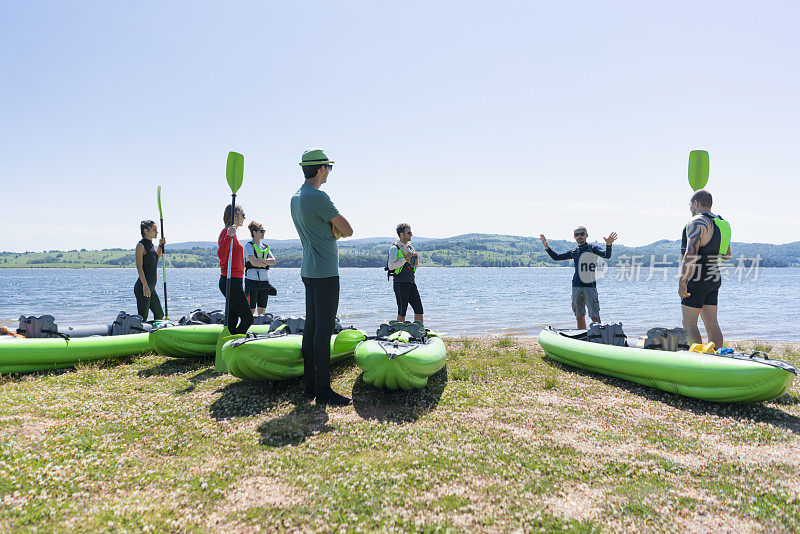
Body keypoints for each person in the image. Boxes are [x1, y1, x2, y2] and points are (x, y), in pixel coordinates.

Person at [290, 148, 353, 406]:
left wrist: (332, 229)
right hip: (325, 271)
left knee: (312, 328)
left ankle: (310, 387)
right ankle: (324, 391)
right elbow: (348, 230)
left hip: (308, 270)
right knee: (323, 330)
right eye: (329, 167)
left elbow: (331, 230)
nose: (329, 172)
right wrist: (335, 230)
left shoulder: (296, 197)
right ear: (320, 169)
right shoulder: (318, 196)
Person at [679, 188, 731, 347]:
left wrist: (682, 281)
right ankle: (717, 358)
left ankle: (696, 361)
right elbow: (727, 255)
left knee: (689, 323)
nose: (689, 208)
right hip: (714, 275)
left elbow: (691, 253)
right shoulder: (722, 223)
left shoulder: (697, 222)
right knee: (712, 323)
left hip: (697, 276)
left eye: (690, 204)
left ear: (695, 203)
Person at [540, 227, 617, 329]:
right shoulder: (574, 251)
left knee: (594, 316)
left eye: (581, 234)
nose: (579, 236)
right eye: (577, 235)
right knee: (579, 316)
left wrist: (608, 245)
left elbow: (606, 255)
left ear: (586, 235)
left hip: (590, 287)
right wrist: (547, 247)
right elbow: (556, 257)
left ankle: (599, 337)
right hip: (576, 286)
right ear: (574, 237)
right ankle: (582, 337)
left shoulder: (592, 248)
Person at [217, 204, 253, 335]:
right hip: (229, 281)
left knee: (232, 319)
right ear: (235, 215)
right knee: (248, 319)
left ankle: (229, 344)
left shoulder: (233, 234)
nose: (244, 217)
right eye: (243, 214)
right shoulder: (226, 232)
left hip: (236, 281)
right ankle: (234, 346)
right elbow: (221, 255)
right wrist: (229, 236)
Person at [387, 223, 423, 323]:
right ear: (402, 234)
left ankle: (419, 332)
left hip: (411, 282)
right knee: (402, 312)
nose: (411, 235)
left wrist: (416, 260)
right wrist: (405, 258)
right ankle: (399, 333)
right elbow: (391, 266)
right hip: (400, 283)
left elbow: (414, 267)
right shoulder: (394, 248)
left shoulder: (410, 248)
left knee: (419, 309)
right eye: (409, 233)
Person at [134, 220, 166, 321]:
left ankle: (155, 334)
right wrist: (145, 286)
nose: (157, 232)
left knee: (159, 314)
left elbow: (155, 258)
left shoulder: (151, 245)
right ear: (146, 231)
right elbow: (139, 267)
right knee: (143, 318)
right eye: (154, 230)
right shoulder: (140, 246)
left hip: (151, 288)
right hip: (143, 288)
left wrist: (160, 246)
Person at [244, 221, 277, 315]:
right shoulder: (248, 246)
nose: (263, 233)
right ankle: (247, 327)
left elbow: (273, 261)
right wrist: (266, 262)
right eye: (261, 231)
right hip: (251, 281)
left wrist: (261, 260)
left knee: (262, 310)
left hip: (264, 282)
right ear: (254, 232)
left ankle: (260, 326)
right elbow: (253, 262)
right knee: (251, 309)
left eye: (264, 231)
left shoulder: (265, 247)